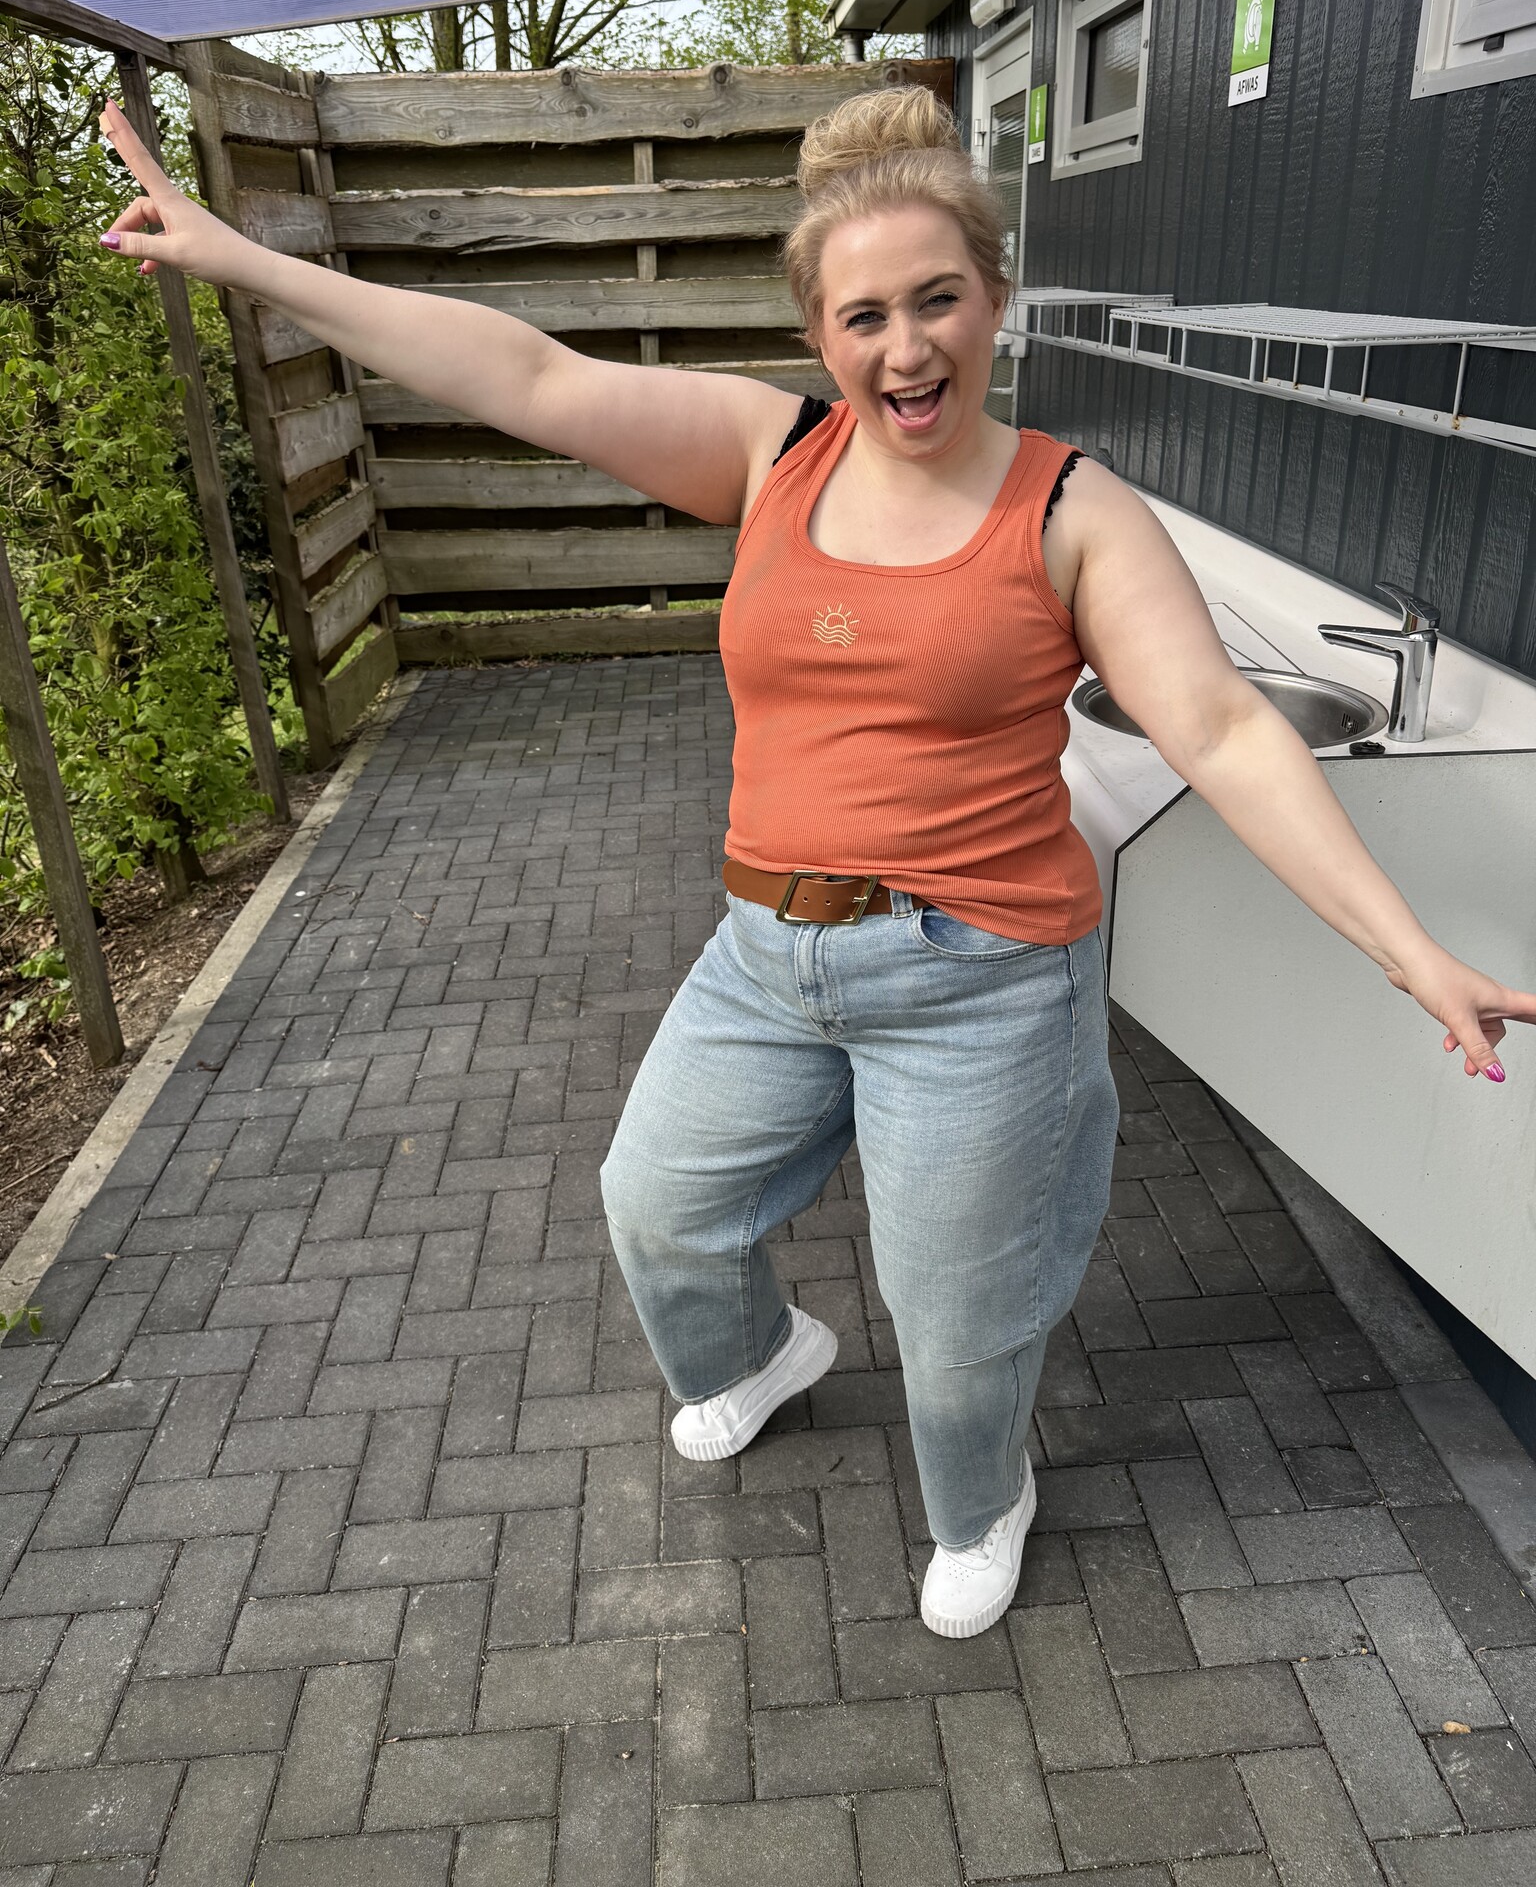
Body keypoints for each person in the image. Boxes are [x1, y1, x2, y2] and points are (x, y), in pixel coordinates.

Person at [98, 84, 1535, 1638]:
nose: (907, 348)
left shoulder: (1074, 512)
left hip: (986, 979)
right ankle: (763, 1352)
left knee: (957, 1319)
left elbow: (1228, 732)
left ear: (995, 301)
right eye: (866, 317)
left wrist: (1410, 953)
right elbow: (520, 369)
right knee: (655, 1203)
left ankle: (983, 1503)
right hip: (765, 958)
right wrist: (238, 259)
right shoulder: (769, 453)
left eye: (938, 301)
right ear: (818, 336)